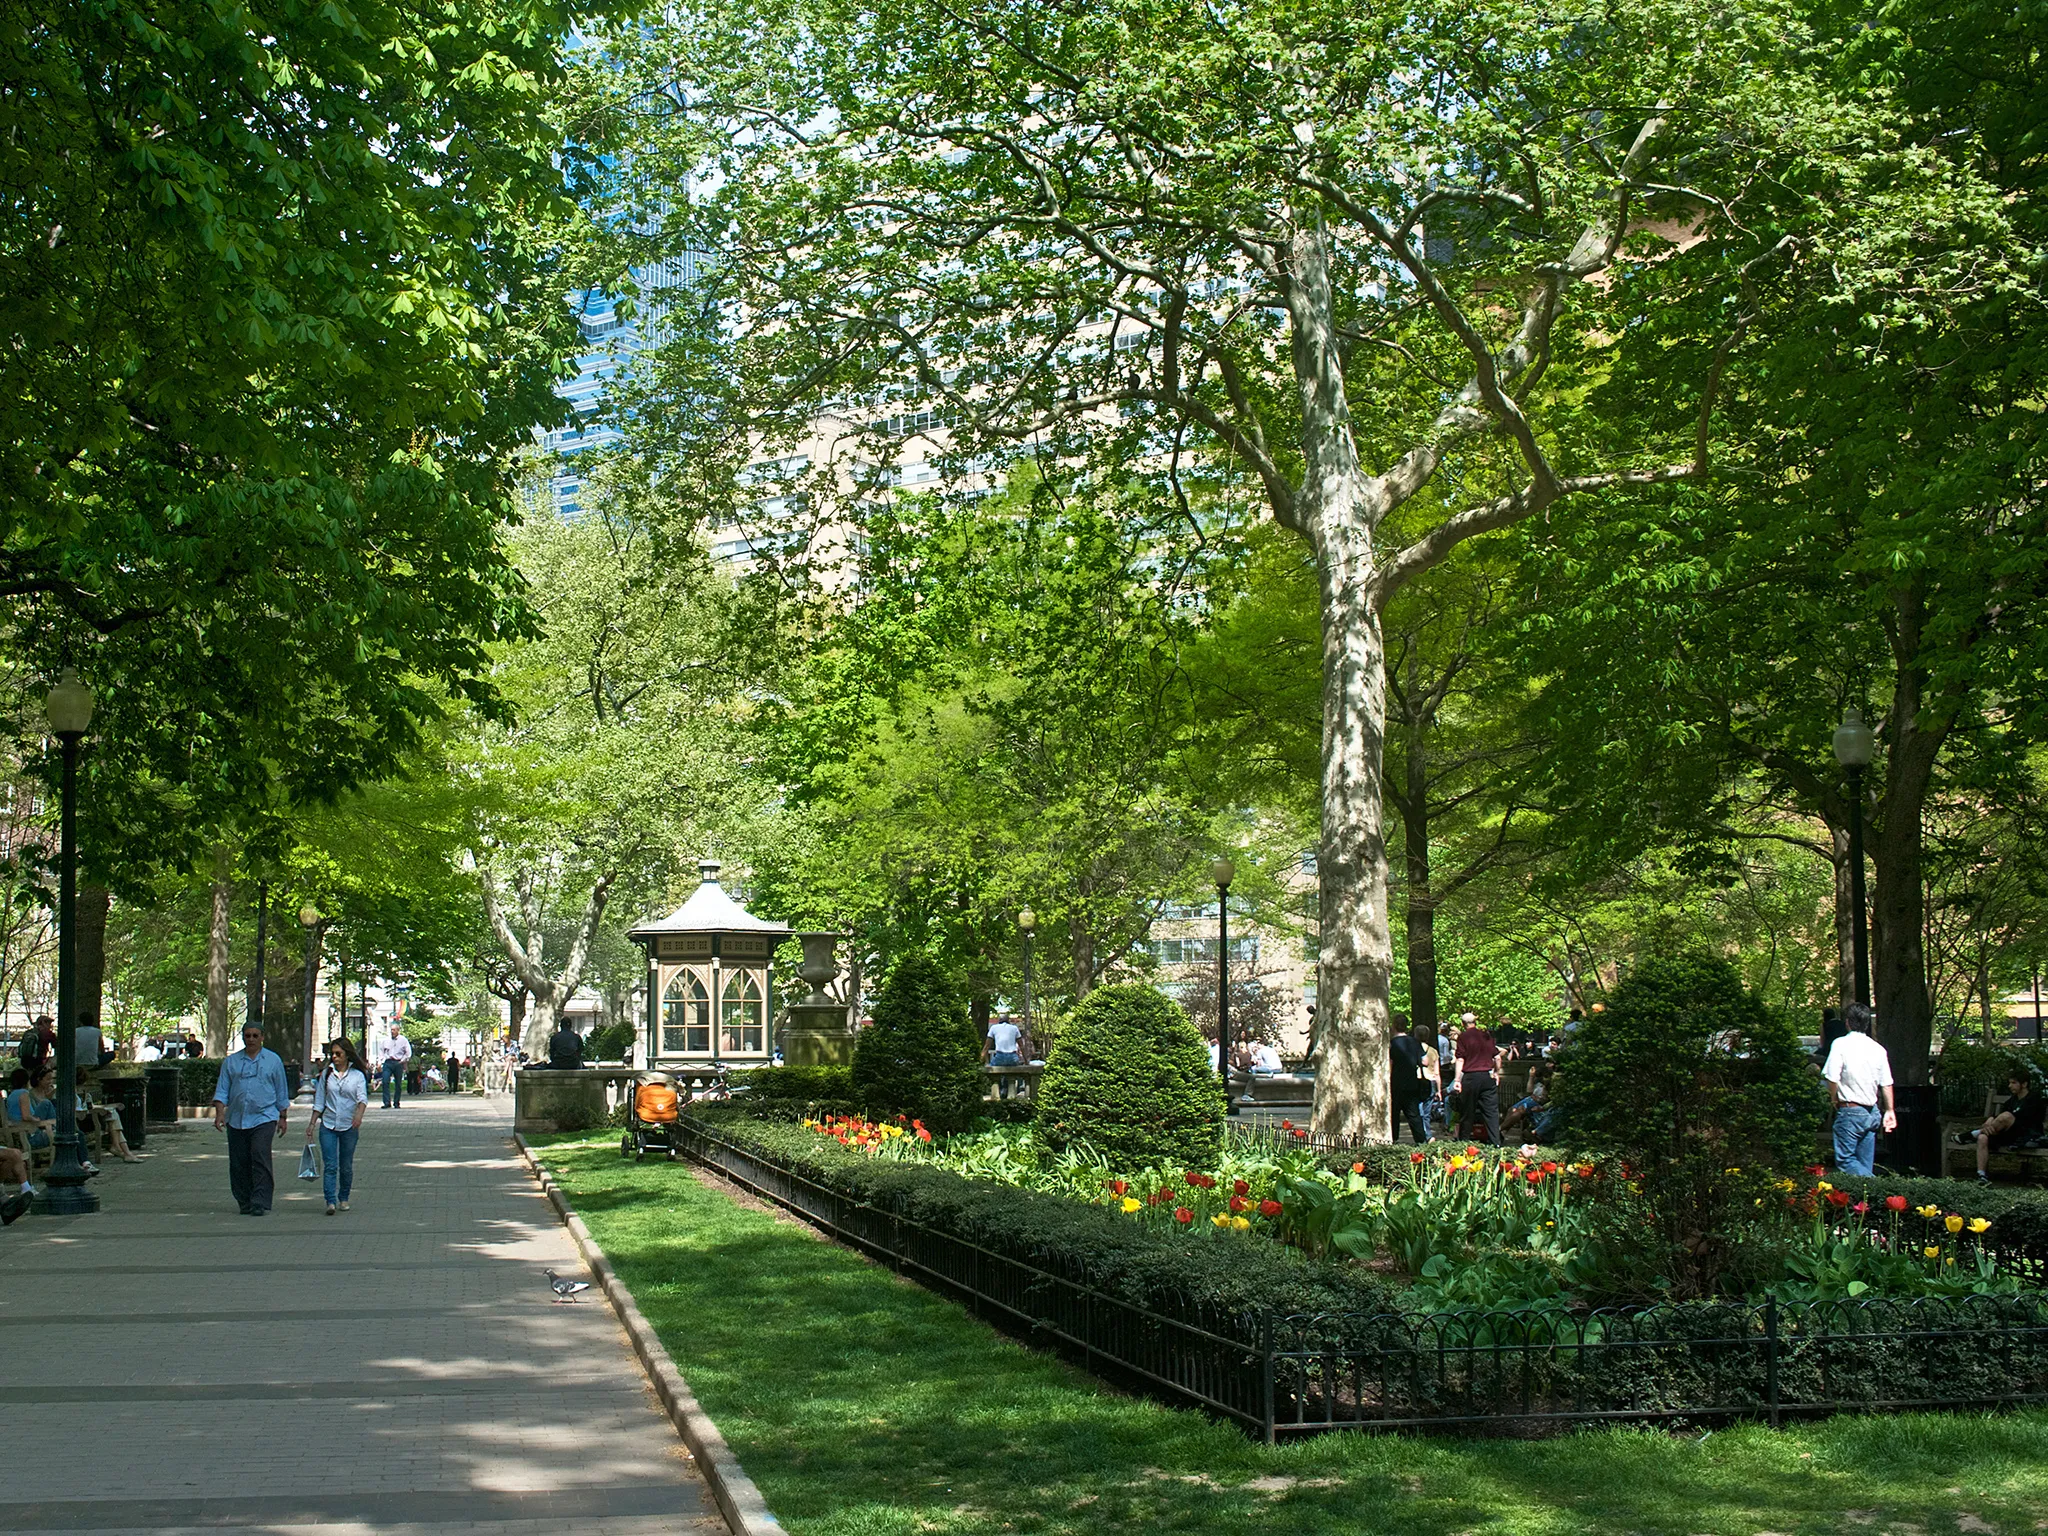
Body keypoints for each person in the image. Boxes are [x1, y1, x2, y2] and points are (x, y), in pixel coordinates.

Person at [211, 1024, 290, 1216]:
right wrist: (220, 1113)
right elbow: (222, 1090)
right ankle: (244, 1200)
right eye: (248, 1036)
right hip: (237, 1118)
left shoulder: (273, 1060)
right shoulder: (231, 1062)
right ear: (243, 1037)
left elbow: (281, 1090)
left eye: (255, 1035)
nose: (251, 1039)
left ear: (262, 1037)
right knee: (239, 1161)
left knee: (259, 1154)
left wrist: (283, 1116)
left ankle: (260, 1201)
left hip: (264, 1117)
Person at [1820, 1001, 1895, 1177]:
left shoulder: (1840, 1044)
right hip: (1872, 1113)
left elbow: (1832, 1077)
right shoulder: (1878, 1049)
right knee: (1863, 1165)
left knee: (1846, 1160)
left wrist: (1833, 1100)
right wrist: (1890, 1110)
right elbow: (1886, 1083)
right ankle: (1869, 1193)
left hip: (1850, 1110)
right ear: (1867, 1023)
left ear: (1847, 1022)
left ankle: (1881, 1186)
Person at [306, 1038, 369, 1215]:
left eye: (338, 1054)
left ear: (347, 1055)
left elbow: (362, 1099)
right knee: (330, 1165)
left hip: (349, 1126)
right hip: (328, 1125)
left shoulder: (357, 1076)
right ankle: (330, 1201)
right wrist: (312, 1123)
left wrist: (359, 1115)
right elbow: (319, 1101)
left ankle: (344, 1198)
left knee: (346, 1165)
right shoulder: (326, 1075)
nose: (334, 1057)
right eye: (332, 1054)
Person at [1951, 1069, 2046, 1183]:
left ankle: (1972, 1134)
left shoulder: (2034, 1099)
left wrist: (2002, 1119)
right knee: (1982, 1138)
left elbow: (2023, 1118)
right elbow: (2000, 1115)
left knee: (2006, 1116)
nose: (2009, 1086)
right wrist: (1991, 1119)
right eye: (2009, 1083)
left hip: (2027, 1135)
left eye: (2013, 1083)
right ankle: (1981, 1175)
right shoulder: (2013, 1099)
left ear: (2024, 1084)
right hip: (2009, 1135)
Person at [1452, 1011, 1502, 1145]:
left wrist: (1457, 1080)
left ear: (1463, 1023)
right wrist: (1496, 1073)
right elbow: (1497, 1057)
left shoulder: (1463, 1037)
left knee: (1467, 1112)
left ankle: (1464, 1143)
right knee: (1491, 1113)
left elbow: (1460, 1059)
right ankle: (1496, 1143)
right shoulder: (1486, 1035)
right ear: (1475, 1022)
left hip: (1470, 1077)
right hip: (1487, 1076)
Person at [75, 1066, 141, 1163]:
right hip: (81, 1121)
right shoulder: (71, 1094)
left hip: (87, 1117)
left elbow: (91, 1107)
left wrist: (112, 1106)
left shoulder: (83, 1093)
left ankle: (122, 1150)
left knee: (112, 1113)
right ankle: (123, 1151)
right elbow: (80, 1110)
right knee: (113, 1115)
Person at [1389, 1015, 1429, 1145]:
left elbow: (1390, 1064)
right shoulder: (1414, 1042)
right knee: (1413, 1114)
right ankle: (1421, 1141)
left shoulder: (1391, 1043)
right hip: (1412, 1082)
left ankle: (1393, 1140)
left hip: (1395, 1084)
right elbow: (1425, 1061)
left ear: (1394, 1026)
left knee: (1394, 1114)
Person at [6, 1065, 57, 1151]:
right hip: (29, 1137)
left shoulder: (11, 1095)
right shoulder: (24, 1093)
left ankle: (55, 1128)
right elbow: (26, 1116)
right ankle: (57, 1128)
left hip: (19, 1136)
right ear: (27, 1081)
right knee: (46, 1103)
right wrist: (36, 1119)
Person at [1502, 1062, 1554, 1140]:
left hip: (1538, 1104)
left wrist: (1539, 1100)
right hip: (1531, 1100)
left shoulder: (1551, 1084)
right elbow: (1529, 1091)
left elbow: (1546, 1099)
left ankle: (1501, 1130)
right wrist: (1531, 1076)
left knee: (1519, 1110)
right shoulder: (1539, 1082)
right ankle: (1503, 1131)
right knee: (1512, 1110)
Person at [983, 1013, 1026, 1099]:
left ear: (999, 1020)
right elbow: (1021, 1046)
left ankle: (1001, 1089)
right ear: (1008, 1020)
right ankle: (1007, 1090)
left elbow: (986, 1046)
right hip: (1012, 1057)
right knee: (1012, 1072)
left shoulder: (994, 1028)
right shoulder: (1014, 1028)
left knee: (993, 1068)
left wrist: (984, 1060)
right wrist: (1026, 1061)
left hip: (1000, 1057)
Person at [372, 1021, 411, 1107]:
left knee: (398, 1083)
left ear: (398, 1030)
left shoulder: (403, 1040)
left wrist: (403, 1060)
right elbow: (381, 1052)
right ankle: (386, 1102)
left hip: (398, 1062)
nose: (392, 1031)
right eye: (391, 1030)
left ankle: (396, 1102)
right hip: (388, 1062)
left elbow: (408, 1053)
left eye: (394, 1030)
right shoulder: (386, 1040)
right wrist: (379, 1062)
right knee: (385, 1081)